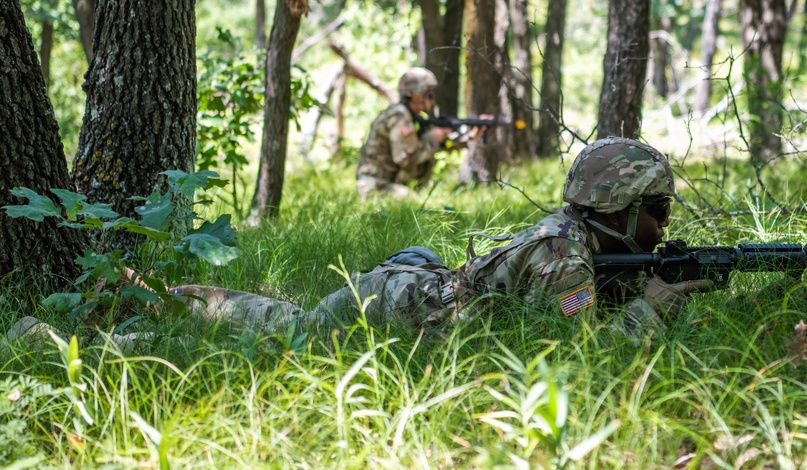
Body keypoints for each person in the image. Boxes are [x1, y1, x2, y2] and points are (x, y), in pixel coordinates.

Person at [170, 137, 713, 340]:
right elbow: (584, 353)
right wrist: (652, 306)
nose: (664, 225)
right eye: (658, 210)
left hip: (424, 287)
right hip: (397, 304)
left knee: (287, 320)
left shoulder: (591, 241)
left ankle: (189, 299)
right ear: (621, 208)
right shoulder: (563, 252)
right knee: (289, 331)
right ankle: (159, 317)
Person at [356, 67, 483, 199]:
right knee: (415, 205)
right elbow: (405, 158)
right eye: (429, 95)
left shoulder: (414, 117)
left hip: (391, 184)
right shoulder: (400, 117)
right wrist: (433, 138)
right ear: (416, 96)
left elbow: (435, 145)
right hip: (376, 186)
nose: (433, 100)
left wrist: (468, 137)